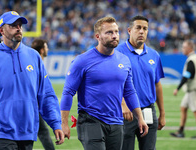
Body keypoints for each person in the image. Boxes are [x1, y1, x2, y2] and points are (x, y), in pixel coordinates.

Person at [60, 16, 148, 150]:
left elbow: (130, 92)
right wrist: (64, 123)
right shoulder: (82, 61)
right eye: (109, 32)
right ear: (98, 36)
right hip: (91, 120)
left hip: (116, 122)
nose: (114, 36)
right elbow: (68, 92)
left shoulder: (124, 60)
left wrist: (140, 118)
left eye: (116, 32)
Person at [0, 11, 64, 150]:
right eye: (13, 25)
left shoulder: (33, 56)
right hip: (1, 133)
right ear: (1, 30)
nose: (18, 28)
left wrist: (55, 123)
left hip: (27, 132)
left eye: (20, 25)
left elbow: (46, 94)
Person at [116, 15, 166, 150]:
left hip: (149, 110)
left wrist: (162, 113)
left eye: (145, 28)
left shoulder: (154, 55)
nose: (142, 31)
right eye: (138, 28)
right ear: (129, 30)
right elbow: (112, 83)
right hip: (127, 112)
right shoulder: (117, 53)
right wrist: (123, 104)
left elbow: (157, 85)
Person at [170, 40, 196, 138]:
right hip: (192, 89)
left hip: (193, 89)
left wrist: (178, 88)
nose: (182, 49)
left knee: (195, 111)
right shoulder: (194, 58)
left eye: (184, 47)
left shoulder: (191, 59)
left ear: (190, 48)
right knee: (183, 107)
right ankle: (180, 131)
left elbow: (188, 75)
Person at [31, 39, 55, 150]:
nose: (47, 49)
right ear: (41, 50)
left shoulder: (31, 62)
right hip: (33, 105)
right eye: (46, 47)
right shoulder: (36, 63)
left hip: (33, 105)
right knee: (43, 132)